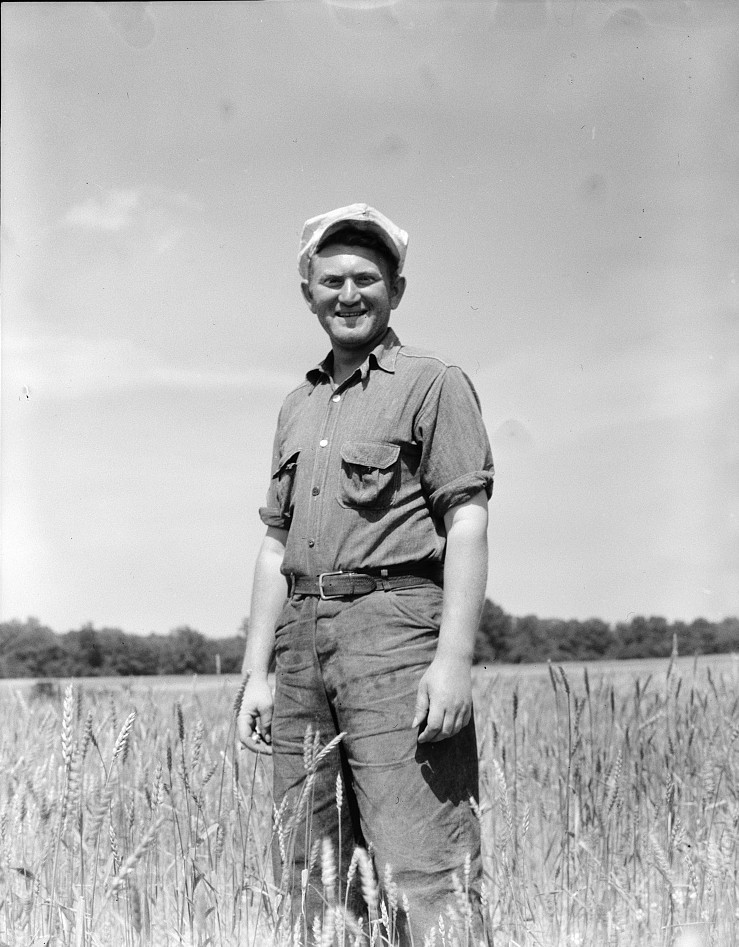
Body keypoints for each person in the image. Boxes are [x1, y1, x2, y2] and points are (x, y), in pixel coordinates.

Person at [238, 203, 494, 945]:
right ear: (308, 293)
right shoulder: (297, 406)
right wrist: (256, 672)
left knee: (423, 869)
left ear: (396, 290)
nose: (348, 294)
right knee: (313, 873)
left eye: (366, 279)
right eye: (331, 281)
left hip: (395, 633)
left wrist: (452, 659)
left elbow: (466, 519)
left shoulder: (431, 383)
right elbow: (272, 546)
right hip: (300, 645)